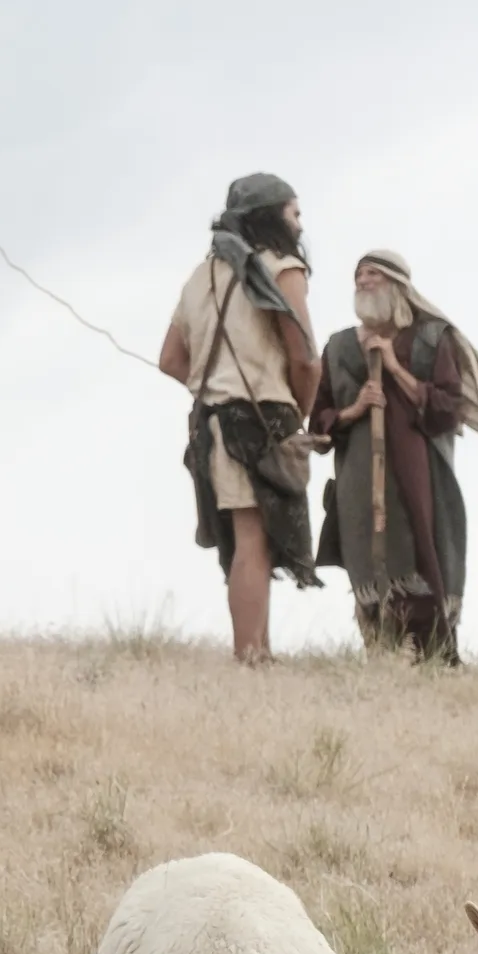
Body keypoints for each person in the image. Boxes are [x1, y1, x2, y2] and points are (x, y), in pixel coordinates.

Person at [312, 251, 478, 665]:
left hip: (418, 472)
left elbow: (446, 408)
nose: (364, 281)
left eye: (374, 274)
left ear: (398, 285)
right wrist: (353, 411)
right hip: (358, 475)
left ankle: (432, 656)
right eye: (359, 275)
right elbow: (318, 422)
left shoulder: (430, 338)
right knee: (367, 556)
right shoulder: (337, 348)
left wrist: (394, 368)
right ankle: (382, 655)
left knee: (422, 551)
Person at [158, 174, 322, 664]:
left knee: (244, 541)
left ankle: (258, 651)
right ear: (273, 216)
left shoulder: (200, 275)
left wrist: (214, 388)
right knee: (253, 538)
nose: (300, 224)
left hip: (209, 421)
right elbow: (306, 357)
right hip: (263, 417)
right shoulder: (282, 267)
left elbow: (170, 358)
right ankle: (251, 656)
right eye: (294, 213)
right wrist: (299, 411)